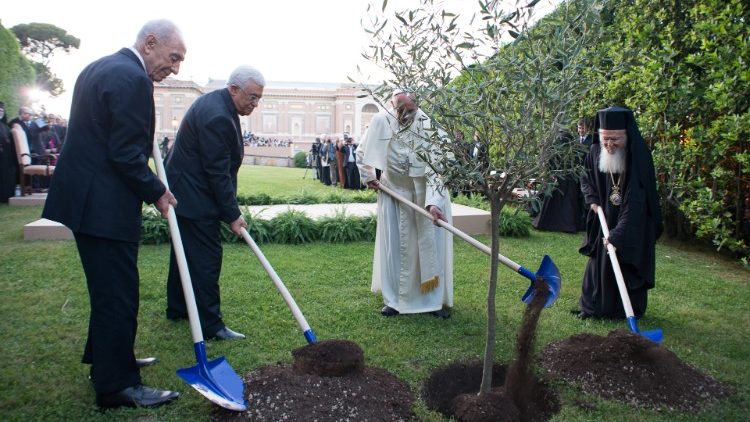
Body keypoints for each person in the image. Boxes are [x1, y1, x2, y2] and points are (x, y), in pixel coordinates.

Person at [41, 19, 185, 409]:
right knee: (118, 295)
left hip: (86, 201)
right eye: (173, 57)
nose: (175, 68)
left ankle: (110, 359)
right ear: (150, 43)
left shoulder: (99, 67)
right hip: (104, 206)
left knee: (108, 291)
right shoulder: (133, 79)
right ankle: (116, 384)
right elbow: (124, 153)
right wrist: (157, 191)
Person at [164, 65, 265, 341]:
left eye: (259, 98)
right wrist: (232, 214)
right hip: (195, 196)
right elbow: (217, 172)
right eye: (252, 97)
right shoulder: (218, 116)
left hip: (184, 192)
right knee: (207, 259)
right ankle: (210, 325)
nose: (255, 104)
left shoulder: (218, 105)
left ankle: (178, 307)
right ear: (234, 89)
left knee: (183, 253)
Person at [357, 90, 453, 318]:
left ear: (417, 107)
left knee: (430, 250)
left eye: (409, 110)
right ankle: (394, 300)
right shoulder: (381, 120)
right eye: (399, 109)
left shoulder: (429, 125)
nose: (404, 114)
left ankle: (432, 302)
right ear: (392, 104)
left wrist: (434, 203)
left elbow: (439, 168)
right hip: (394, 194)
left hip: (425, 195)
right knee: (396, 250)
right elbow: (362, 153)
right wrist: (369, 175)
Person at [574, 106, 663, 320]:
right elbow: (585, 179)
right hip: (603, 214)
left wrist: (619, 233)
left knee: (625, 260)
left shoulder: (637, 157)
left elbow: (636, 202)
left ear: (627, 135)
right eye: (605, 139)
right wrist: (592, 201)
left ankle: (625, 310)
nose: (609, 145)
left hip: (632, 222)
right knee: (599, 261)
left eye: (615, 139)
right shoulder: (595, 151)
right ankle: (594, 306)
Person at [532, 130, 585, 233]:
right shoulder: (573, 151)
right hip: (568, 182)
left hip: (557, 180)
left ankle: (548, 223)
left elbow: (550, 165)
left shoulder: (556, 148)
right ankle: (568, 225)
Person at [0, 101, 17, 202]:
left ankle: (6, 196)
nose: (0, 112)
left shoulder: (5, 125)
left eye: (2, 110)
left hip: (6, 156)